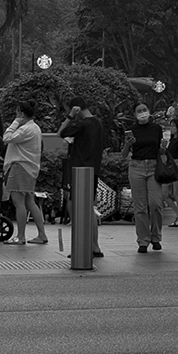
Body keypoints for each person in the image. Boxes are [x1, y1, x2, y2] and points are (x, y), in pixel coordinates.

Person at [1, 103, 49, 246]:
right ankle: (41, 234)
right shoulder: (35, 128)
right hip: (30, 168)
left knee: (18, 202)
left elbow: (7, 137)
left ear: (21, 113)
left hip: (20, 166)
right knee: (30, 202)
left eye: (17, 112)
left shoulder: (25, 129)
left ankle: (20, 236)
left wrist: (15, 122)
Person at [66, 103, 108, 258]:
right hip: (93, 170)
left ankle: (80, 247)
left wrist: (70, 116)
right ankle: (94, 245)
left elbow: (61, 132)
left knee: (77, 207)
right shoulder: (98, 123)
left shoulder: (82, 125)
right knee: (89, 208)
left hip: (80, 171)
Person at [126, 102, 165, 253]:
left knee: (156, 204)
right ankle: (143, 240)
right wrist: (127, 144)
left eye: (144, 109)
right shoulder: (132, 130)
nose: (142, 113)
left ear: (149, 111)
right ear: (135, 114)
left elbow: (160, 150)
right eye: (139, 111)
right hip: (136, 167)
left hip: (154, 167)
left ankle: (156, 237)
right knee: (140, 207)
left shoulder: (156, 129)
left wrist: (163, 149)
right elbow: (124, 154)